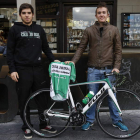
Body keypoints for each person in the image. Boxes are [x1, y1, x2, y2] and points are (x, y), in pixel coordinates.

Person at [65, 2, 128, 131]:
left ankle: (116, 121)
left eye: (103, 12)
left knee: (112, 97)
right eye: (99, 13)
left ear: (108, 15)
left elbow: (118, 50)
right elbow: (81, 47)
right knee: (91, 96)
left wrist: (116, 66)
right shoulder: (89, 30)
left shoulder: (114, 30)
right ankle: (89, 120)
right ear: (96, 15)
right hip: (93, 69)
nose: (101, 15)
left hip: (109, 70)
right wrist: (73, 61)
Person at [7, 3, 59, 139]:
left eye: (29, 13)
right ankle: (27, 126)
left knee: (42, 99)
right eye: (24, 13)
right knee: (24, 100)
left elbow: (46, 48)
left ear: (32, 14)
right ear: (20, 15)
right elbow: (10, 52)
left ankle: (43, 124)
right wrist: (12, 70)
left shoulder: (39, 29)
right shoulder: (14, 30)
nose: (26, 15)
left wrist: (53, 60)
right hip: (22, 70)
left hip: (38, 69)